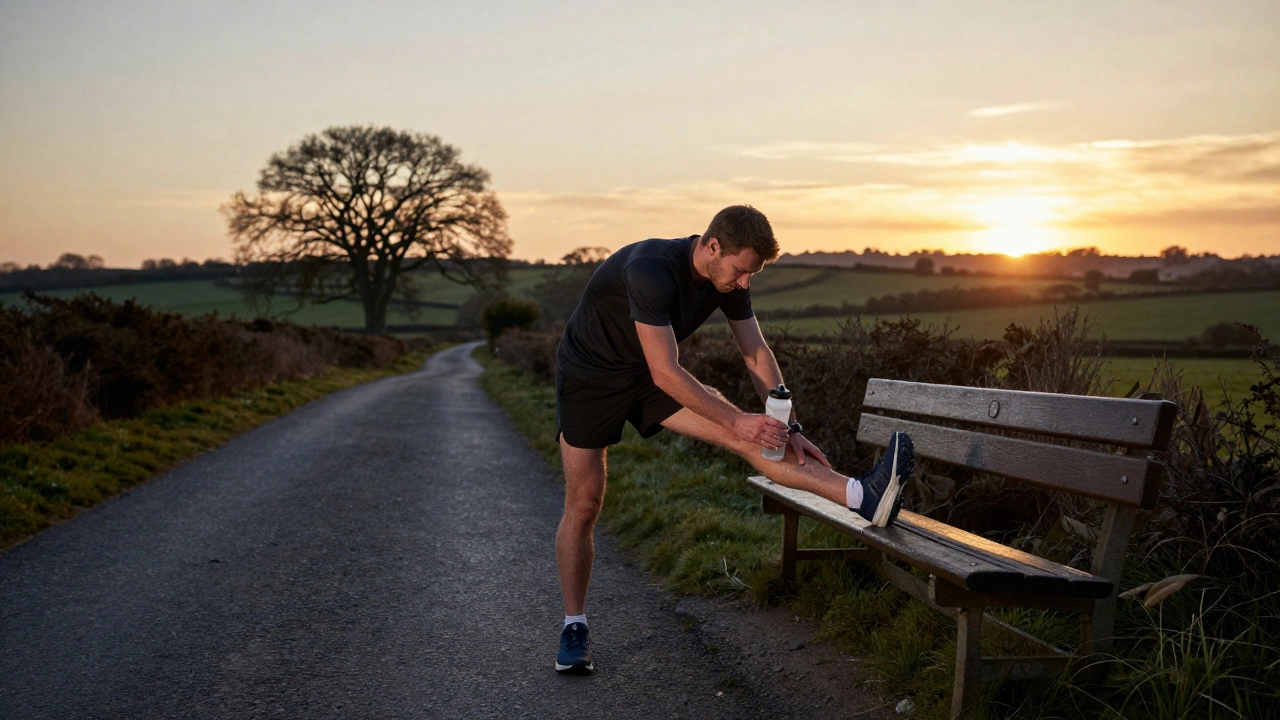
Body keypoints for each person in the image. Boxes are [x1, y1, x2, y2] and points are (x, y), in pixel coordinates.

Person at [551, 205, 914, 674]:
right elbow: (667, 370)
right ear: (713, 246)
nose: (744, 283)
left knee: (756, 438)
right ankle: (574, 625)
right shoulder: (649, 269)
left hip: (647, 378)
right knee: (584, 502)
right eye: (742, 271)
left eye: (752, 275)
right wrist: (734, 416)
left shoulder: (729, 280)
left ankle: (860, 494)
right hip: (589, 378)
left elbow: (756, 352)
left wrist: (789, 423)